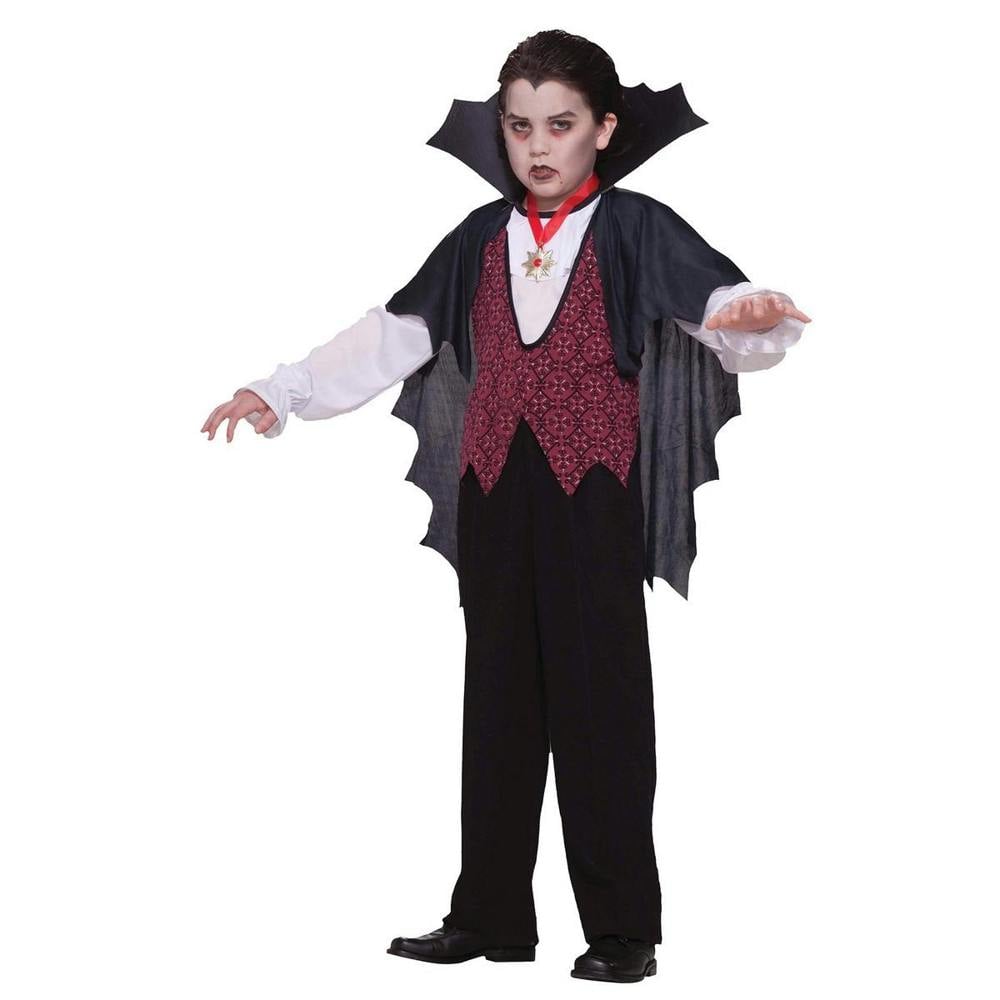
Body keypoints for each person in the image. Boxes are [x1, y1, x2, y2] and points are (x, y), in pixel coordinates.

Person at [201, 29, 811, 985]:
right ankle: (488, 914)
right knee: (497, 702)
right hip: (492, 488)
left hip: (592, 493)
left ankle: (622, 927)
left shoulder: (636, 227)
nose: (537, 146)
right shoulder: (480, 238)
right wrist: (280, 390)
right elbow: (394, 333)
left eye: (560, 125)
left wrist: (753, 314)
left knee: (600, 702)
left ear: (603, 128)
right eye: (520, 127)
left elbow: (727, 309)